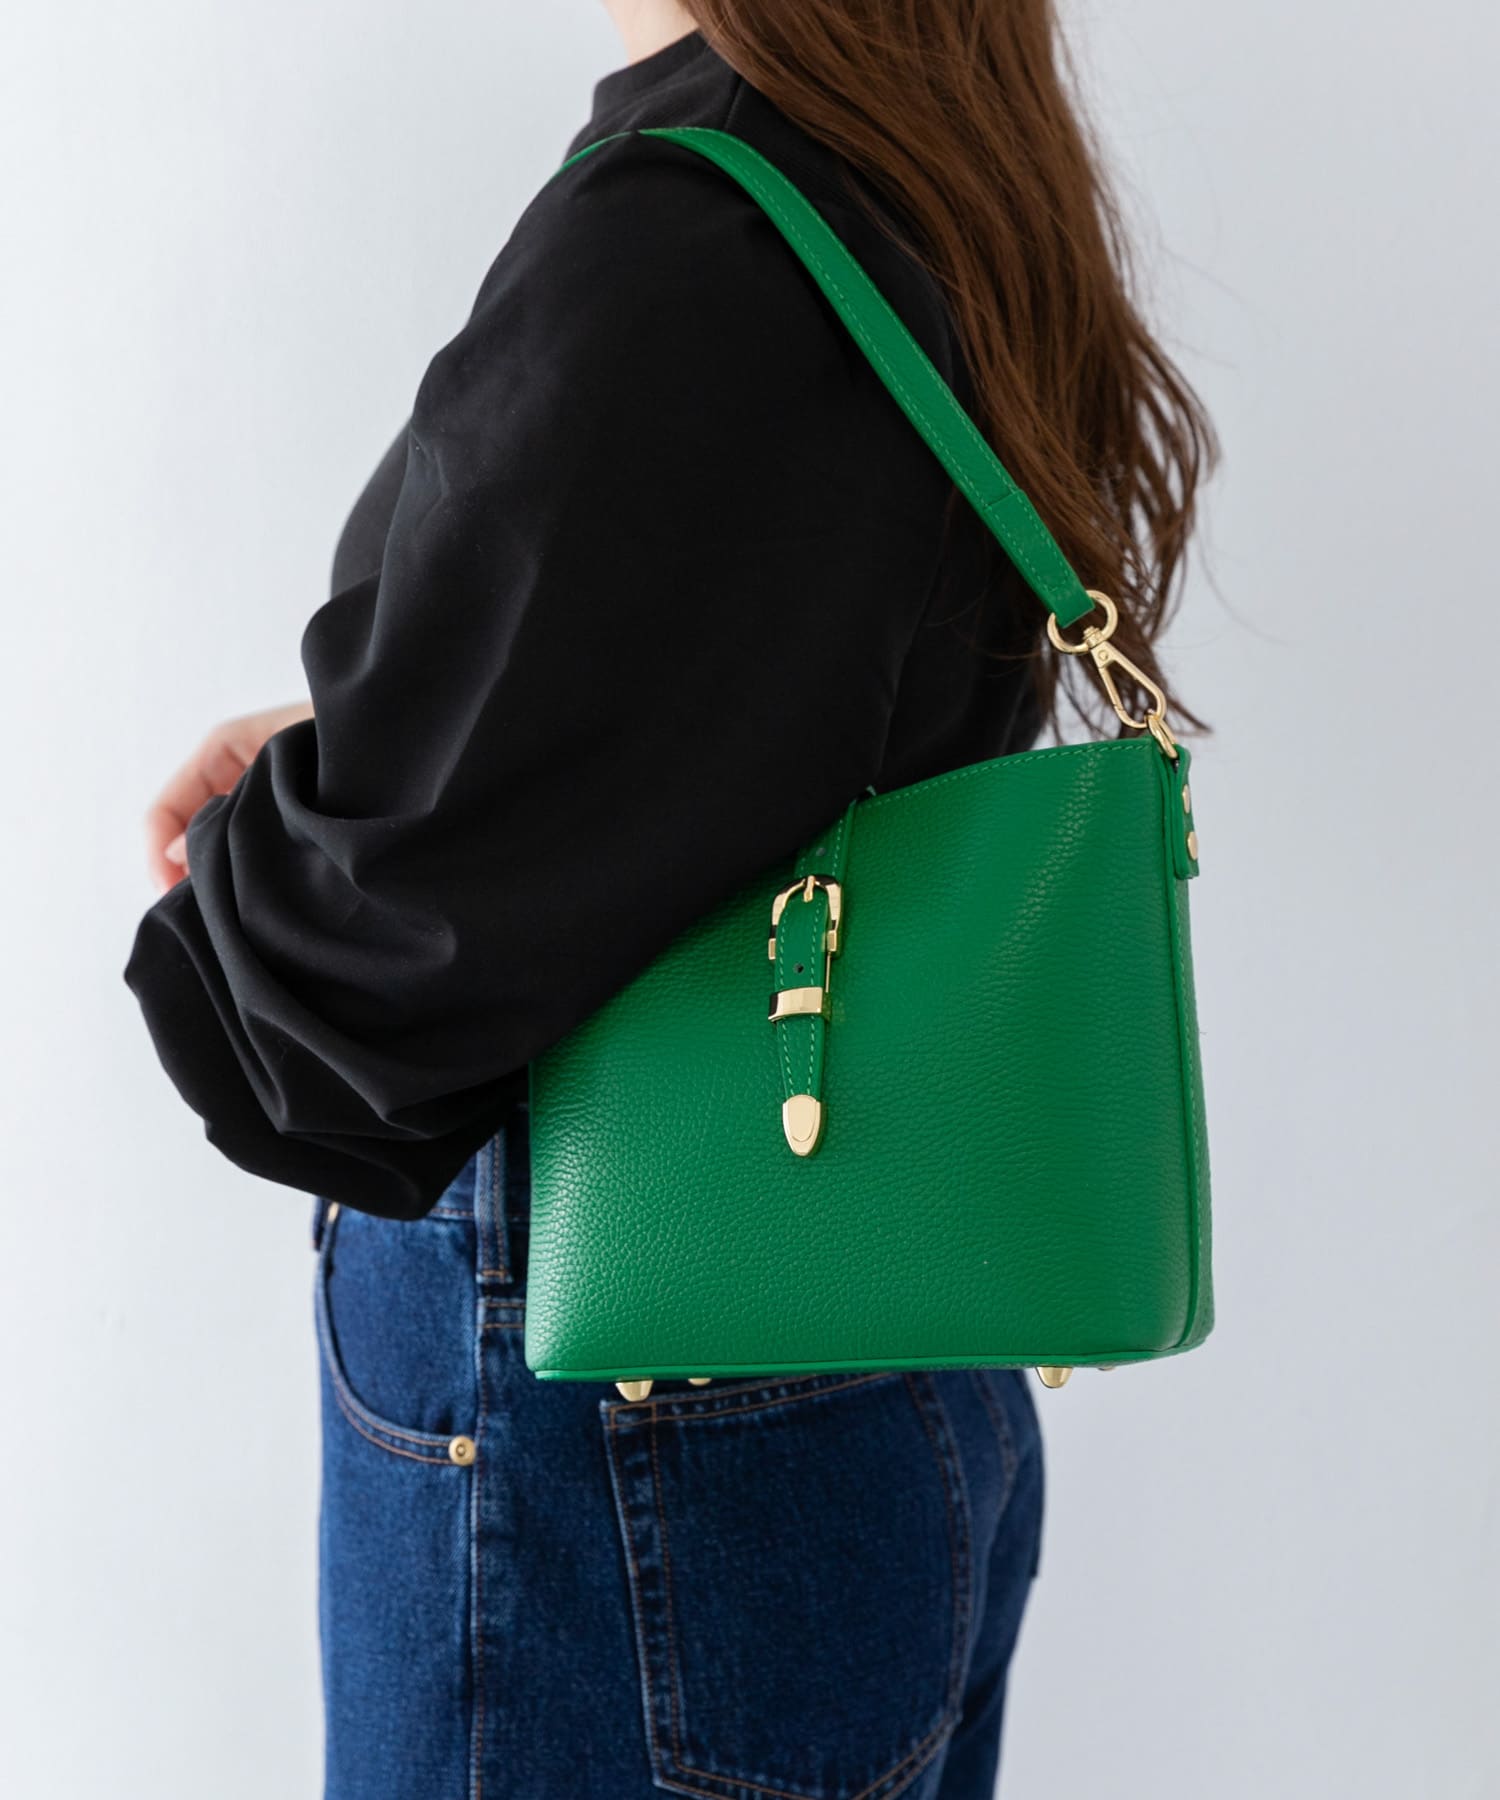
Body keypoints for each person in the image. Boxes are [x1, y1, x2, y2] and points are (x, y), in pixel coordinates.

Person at [125, 3, 1217, 1794]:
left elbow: (353, 1005)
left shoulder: (685, 228)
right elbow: (769, 683)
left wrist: (254, 871)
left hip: (623, 1441)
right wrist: (389, 741)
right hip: (886, 1363)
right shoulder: (925, 160)